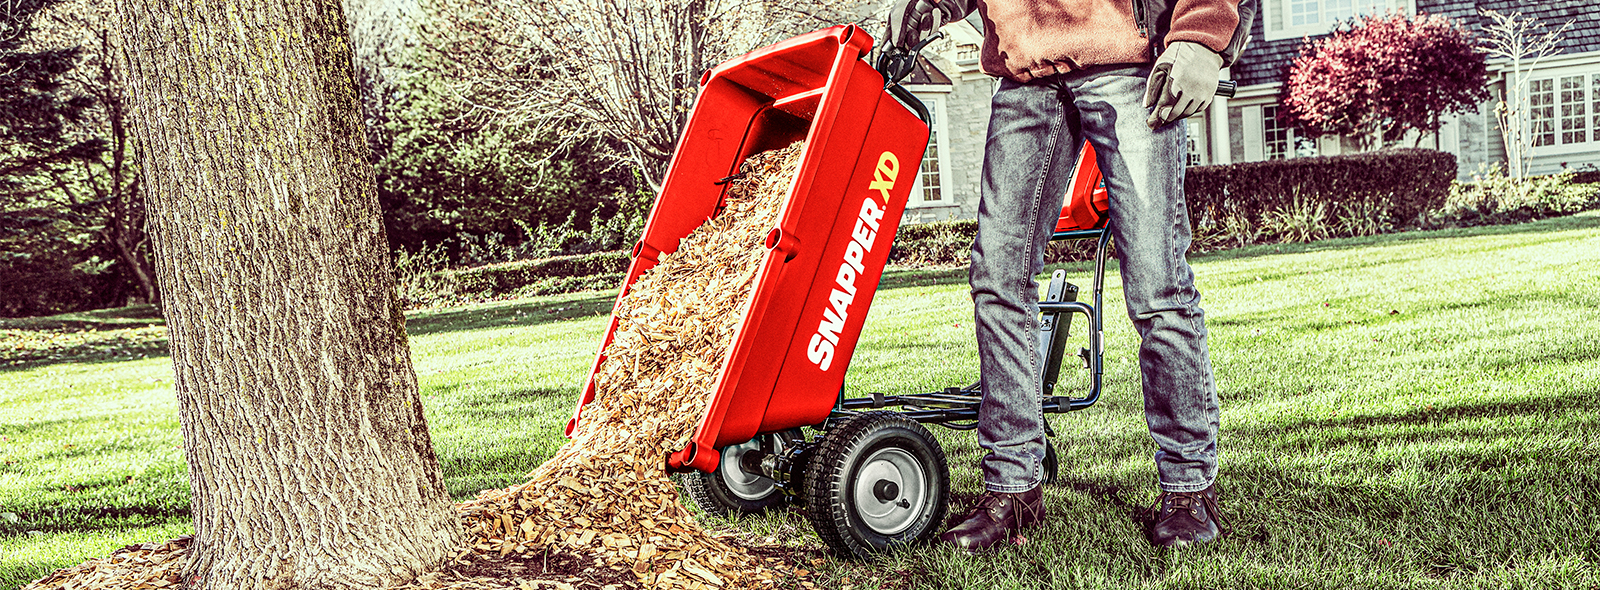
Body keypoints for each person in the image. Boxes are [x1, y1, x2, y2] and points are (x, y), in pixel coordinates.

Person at [887, 0, 1247, 551]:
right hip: (1025, 71)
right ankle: (1014, 487)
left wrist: (1201, 34)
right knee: (997, 278)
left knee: (1159, 286)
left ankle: (1188, 489)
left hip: (1130, 62)